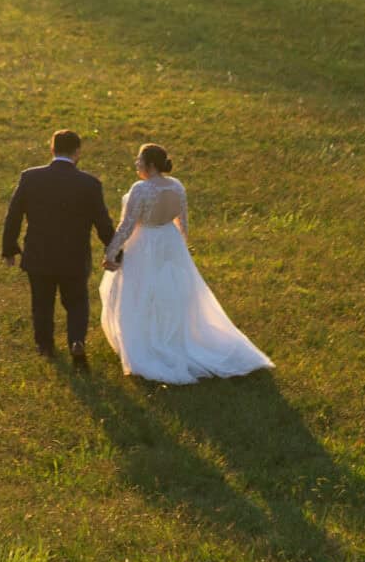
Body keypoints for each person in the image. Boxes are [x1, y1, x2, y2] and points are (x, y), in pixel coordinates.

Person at [100, 144, 272, 385]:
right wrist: (178, 248)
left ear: (150, 165)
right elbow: (183, 223)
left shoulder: (140, 188)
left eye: (139, 160)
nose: (136, 164)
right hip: (169, 240)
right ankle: (171, 335)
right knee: (169, 291)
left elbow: (127, 225)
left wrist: (111, 252)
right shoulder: (177, 186)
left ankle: (145, 341)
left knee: (141, 291)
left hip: (145, 242)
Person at [0, 129, 116, 366]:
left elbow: (14, 215)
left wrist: (9, 248)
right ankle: (76, 340)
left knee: (42, 303)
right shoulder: (89, 184)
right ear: (77, 152)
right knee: (77, 302)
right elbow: (102, 222)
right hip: (74, 256)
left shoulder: (30, 178)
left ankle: (45, 347)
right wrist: (114, 249)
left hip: (39, 254)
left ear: (52, 149)